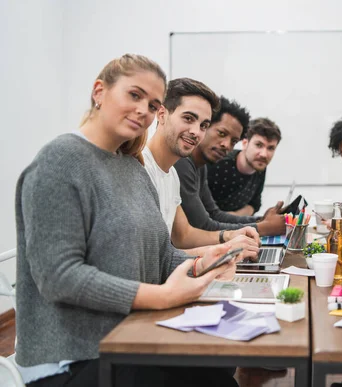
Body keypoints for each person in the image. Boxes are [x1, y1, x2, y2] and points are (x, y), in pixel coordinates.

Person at [15, 54, 239, 387]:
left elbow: (161, 255)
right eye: (134, 95)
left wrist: (208, 261)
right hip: (71, 357)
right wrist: (163, 297)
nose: (143, 111)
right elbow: (59, 277)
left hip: (127, 334)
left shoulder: (131, 167)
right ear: (99, 92)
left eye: (152, 104)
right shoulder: (58, 162)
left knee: (220, 372)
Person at [144, 77, 259, 260]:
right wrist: (225, 250)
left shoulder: (171, 174)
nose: (196, 132)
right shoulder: (140, 170)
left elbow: (183, 235)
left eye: (203, 125)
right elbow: (154, 259)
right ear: (161, 114)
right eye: (188, 118)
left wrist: (229, 236)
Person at [174, 97, 285, 236]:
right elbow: (203, 224)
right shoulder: (183, 162)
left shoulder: (200, 165)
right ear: (204, 126)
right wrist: (263, 228)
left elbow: (215, 214)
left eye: (233, 141)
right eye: (221, 133)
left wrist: (261, 221)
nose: (226, 145)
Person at [207, 117, 282, 216]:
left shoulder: (259, 166)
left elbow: (254, 204)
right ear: (245, 144)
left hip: (235, 226)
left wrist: (234, 217)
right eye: (259, 145)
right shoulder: (219, 164)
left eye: (271, 148)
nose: (264, 154)